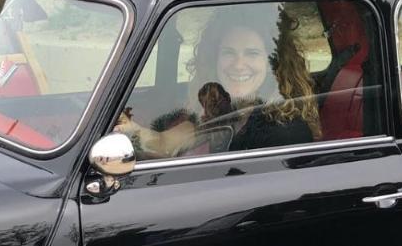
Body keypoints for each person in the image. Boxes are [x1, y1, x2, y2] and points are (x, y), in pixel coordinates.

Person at [117, 8, 321, 157]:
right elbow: (162, 143)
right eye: (229, 53)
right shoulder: (221, 111)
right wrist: (127, 128)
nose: (239, 65)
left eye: (252, 53)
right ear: (215, 60)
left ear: (272, 64)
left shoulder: (286, 133)